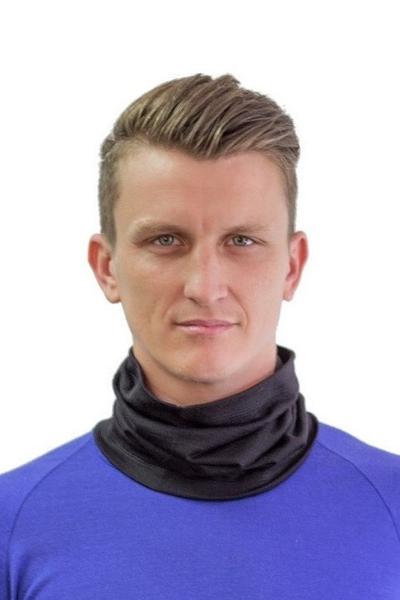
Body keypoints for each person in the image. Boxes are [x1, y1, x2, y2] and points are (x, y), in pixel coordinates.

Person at [1, 73, 399, 599]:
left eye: (242, 240)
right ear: (106, 267)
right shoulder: (13, 523)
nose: (205, 287)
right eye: (166, 240)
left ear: (292, 266)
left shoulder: (392, 505)